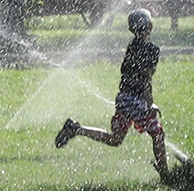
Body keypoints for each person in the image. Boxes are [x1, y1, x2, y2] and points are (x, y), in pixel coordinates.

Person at [54, 9, 169, 177]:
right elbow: (146, 79)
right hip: (135, 100)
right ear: (151, 26)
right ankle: (166, 175)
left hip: (123, 98)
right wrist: (150, 104)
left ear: (131, 29)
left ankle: (77, 129)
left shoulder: (132, 46)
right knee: (157, 133)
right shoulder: (152, 50)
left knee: (116, 139)